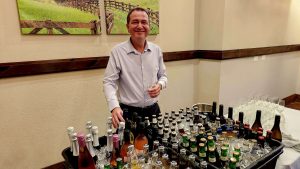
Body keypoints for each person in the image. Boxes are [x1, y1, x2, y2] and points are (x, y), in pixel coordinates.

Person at [103, 7, 167, 128]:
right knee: (129, 147)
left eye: (144, 22)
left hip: (153, 111)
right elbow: (108, 82)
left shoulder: (157, 50)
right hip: (128, 113)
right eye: (135, 22)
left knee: (157, 145)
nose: (140, 26)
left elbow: (163, 76)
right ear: (128, 26)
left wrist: (160, 85)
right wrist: (114, 107)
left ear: (149, 26)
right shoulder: (117, 52)